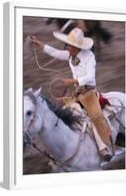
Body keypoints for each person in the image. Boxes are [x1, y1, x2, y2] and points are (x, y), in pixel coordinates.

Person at [29, 28, 113, 161]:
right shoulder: (70, 54)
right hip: (76, 92)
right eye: (67, 44)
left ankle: (104, 147)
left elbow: (90, 76)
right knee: (63, 114)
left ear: (77, 47)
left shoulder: (90, 57)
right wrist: (40, 44)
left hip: (89, 91)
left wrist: (72, 81)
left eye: (69, 45)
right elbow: (56, 53)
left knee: (95, 116)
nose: (67, 47)